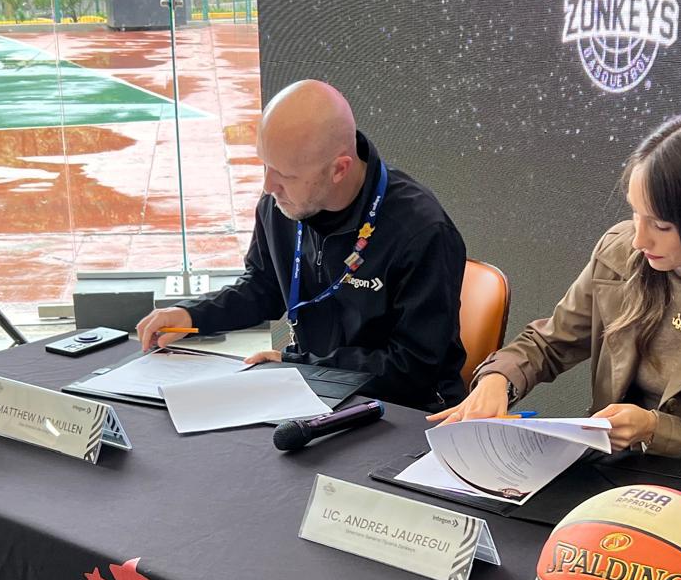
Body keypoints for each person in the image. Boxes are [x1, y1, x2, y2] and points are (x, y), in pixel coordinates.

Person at [429, 111, 681, 498]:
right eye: (636, 214)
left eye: (661, 225)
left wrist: (656, 430)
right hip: (622, 479)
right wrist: (499, 379)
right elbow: (549, 344)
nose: (640, 239)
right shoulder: (620, 252)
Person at [137, 80, 467, 412]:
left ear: (339, 169)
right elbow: (262, 288)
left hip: (404, 409)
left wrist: (302, 366)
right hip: (317, 390)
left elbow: (414, 367)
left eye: (286, 174)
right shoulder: (283, 204)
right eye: (265, 165)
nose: (269, 185)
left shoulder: (421, 230)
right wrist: (191, 315)